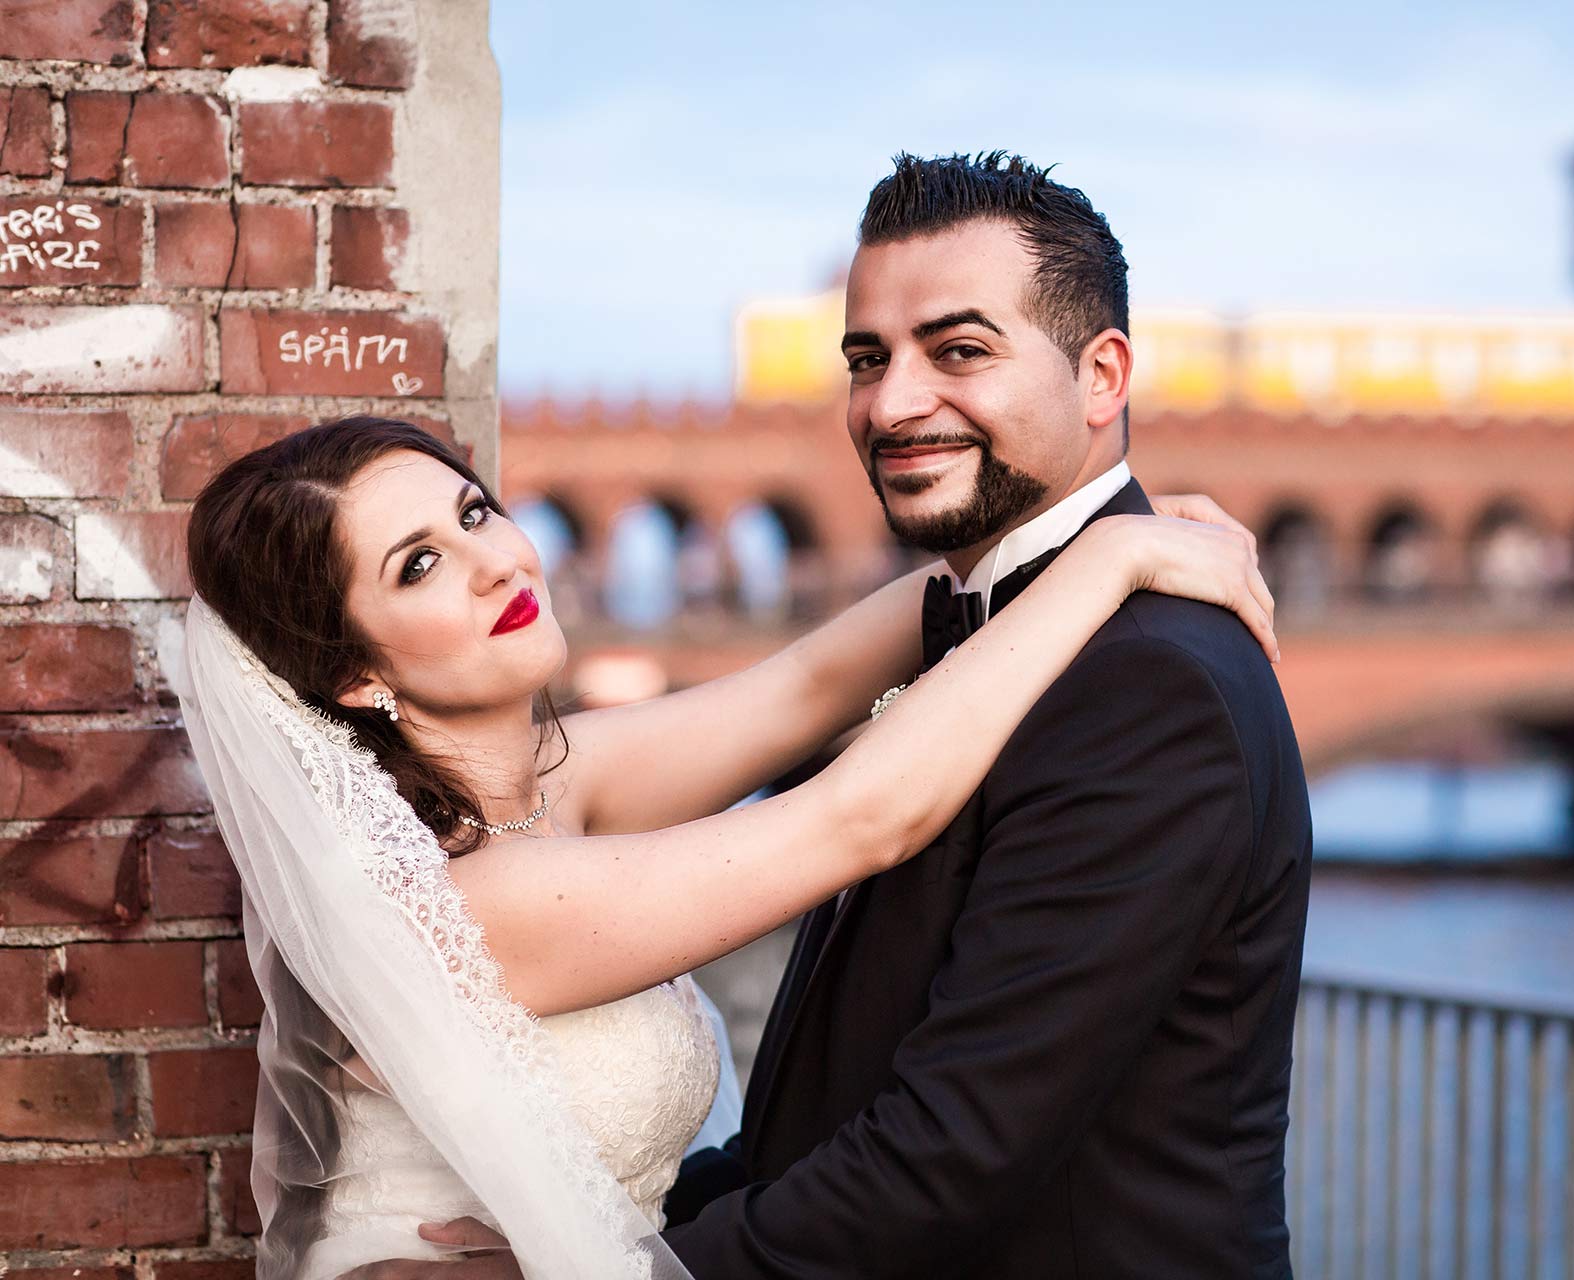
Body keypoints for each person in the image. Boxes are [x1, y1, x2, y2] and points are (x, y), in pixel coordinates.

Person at [179, 413, 1277, 1279]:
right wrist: (1113, 561)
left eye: (474, 514)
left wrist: (1074, 537)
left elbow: (809, 684)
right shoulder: (465, 898)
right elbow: (859, 817)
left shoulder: (553, 783)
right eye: (417, 565)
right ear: (354, 675)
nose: (493, 563)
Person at [620, 152, 1313, 1278]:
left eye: (959, 351)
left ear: (1102, 376)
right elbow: (832, 1118)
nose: (892, 403)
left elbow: (947, 1154)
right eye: (867, 359)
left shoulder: (1149, 689)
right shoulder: (984, 627)